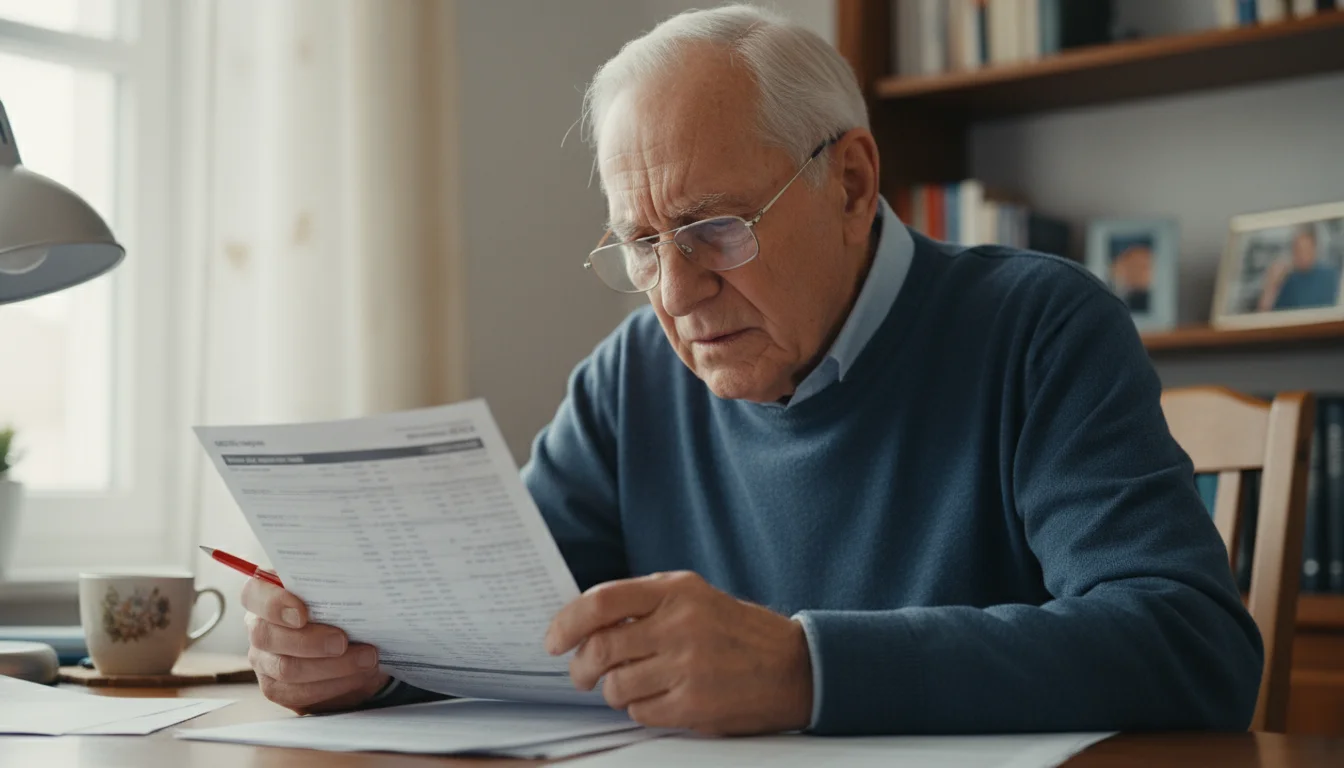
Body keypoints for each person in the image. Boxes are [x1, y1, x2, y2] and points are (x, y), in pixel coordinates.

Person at [238, 5, 1261, 736]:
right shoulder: (630, 377)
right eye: (640, 242)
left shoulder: (1039, 328)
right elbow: (512, 629)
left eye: (715, 228)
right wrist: (360, 665)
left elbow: (1189, 647)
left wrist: (806, 668)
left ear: (853, 182)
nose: (675, 291)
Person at [1257, 224, 1340, 311]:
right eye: (1298, 250)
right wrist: (1272, 284)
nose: (1302, 256)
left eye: (1306, 250)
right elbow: (1263, 313)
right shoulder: (1285, 279)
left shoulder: (1330, 276)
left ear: (1315, 248)